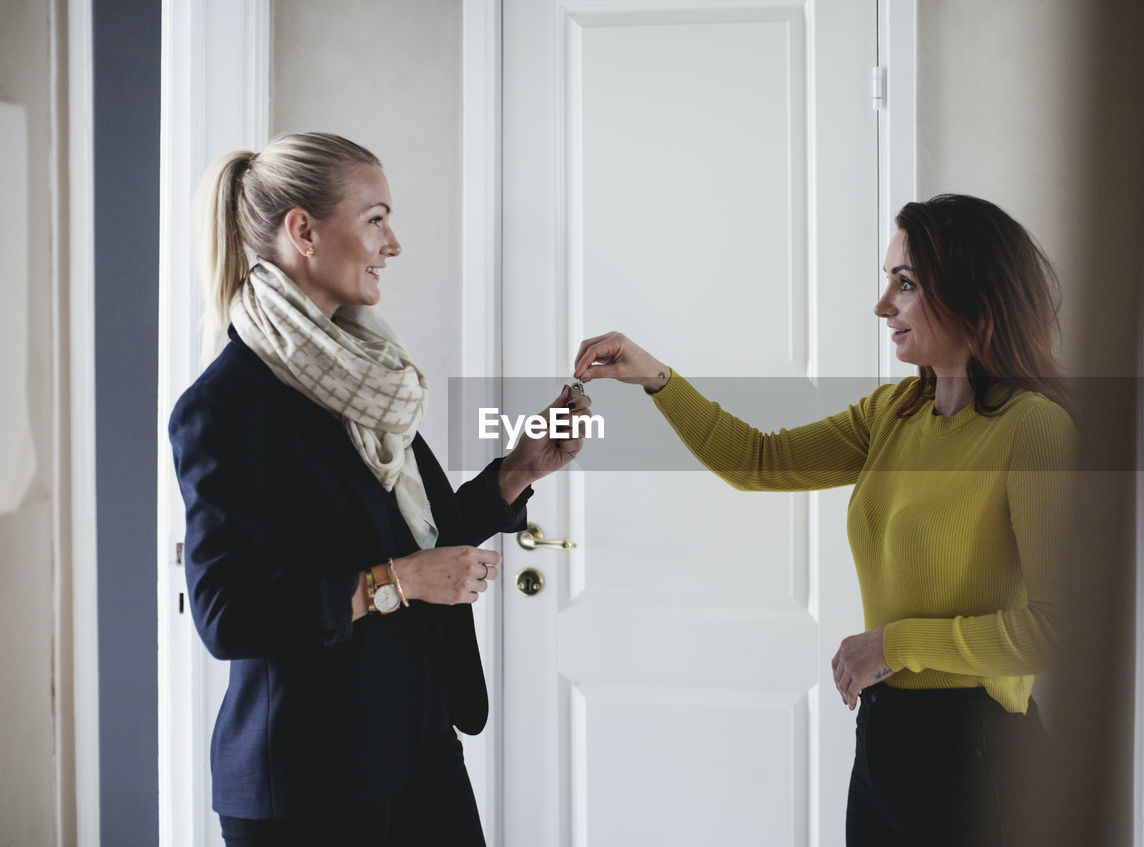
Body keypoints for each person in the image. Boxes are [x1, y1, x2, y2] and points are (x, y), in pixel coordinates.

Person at [572, 194, 1075, 846]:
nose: (882, 305)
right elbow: (759, 459)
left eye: (906, 283)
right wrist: (656, 376)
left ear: (973, 295)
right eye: (887, 281)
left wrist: (895, 644)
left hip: (977, 759)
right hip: (884, 746)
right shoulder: (894, 411)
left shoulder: (1033, 429)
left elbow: (1058, 629)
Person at [170, 131, 590, 846]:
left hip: (416, 747)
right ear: (303, 230)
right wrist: (395, 583)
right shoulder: (227, 404)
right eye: (375, 219)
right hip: (309, 782)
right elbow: (226, 613)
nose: (392, 244)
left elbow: (414, 535)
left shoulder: (364, 376)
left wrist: (518, 469)